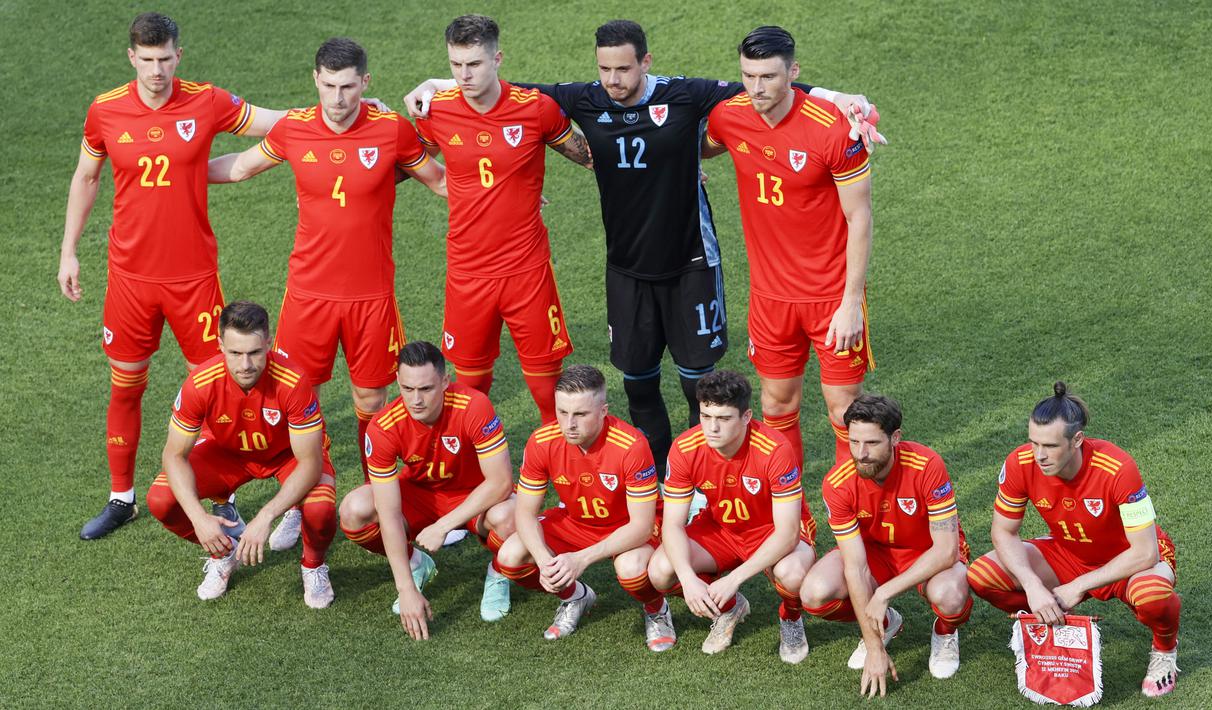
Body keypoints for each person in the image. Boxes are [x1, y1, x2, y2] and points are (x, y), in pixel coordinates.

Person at [406, 19, 876, 475]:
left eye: (624, 69)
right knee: (639, 385)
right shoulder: (585, 98)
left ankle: (702, 477)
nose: (613, 80)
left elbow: (769, 87)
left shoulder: (685, 95)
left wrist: (839, 97)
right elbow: (506, 88)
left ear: (645, 63)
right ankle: (658, 474)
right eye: (604, 69)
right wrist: (436, 82)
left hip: (692, 263)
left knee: (700, 386)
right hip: (626, 269)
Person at [207, 38, 447, 548]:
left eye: (348, 86)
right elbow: (241, 166)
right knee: (299, 396)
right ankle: (302, 495)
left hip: (371, 297)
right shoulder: (294, 127)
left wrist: (507, 188)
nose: (338, 98)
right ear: (316, 79)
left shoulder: (390, 130)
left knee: (370, 397)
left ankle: (372, 494)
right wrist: (171, 169)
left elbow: (443, 181)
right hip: (309, 296)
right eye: (329, 86)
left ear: (366, 82)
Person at [61, 12, 289, 540]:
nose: (158, 69)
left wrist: (334, 110)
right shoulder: (105, 110)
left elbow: (272, 121)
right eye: (148, 60)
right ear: (132, 58)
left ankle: (223, 498)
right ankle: (122, 498)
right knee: (125, 386)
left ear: (178, 56)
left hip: (193, 280)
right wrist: (68, 252)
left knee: (217, 389)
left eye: (166, 59)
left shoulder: (206, 100)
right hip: (130, 279)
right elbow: (87, 176)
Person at [703, 26, 875, 471]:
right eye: (748, 76)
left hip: (829, 297)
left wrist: (852, 302)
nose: (757, 88)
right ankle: (793, 519)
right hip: (770, 299)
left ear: (793, 72)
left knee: (845, 411)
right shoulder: (729, 116)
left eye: (769, 77)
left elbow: (860, 219)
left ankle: (848, 517)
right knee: (776, 407)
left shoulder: (835, 130)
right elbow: (695, 145)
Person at [410, 14, 594, 423]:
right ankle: (473, 477)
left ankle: (563, 470)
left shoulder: (536, 110)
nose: (463, 75)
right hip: (467, 272)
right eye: (455, 65)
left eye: (473, 64)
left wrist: (664, 165)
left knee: (548, 389)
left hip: (526, 271)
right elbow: (404, 160)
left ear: (497, 58)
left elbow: (589, 157)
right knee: (470, 389)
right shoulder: (436, 111)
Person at [966, 383, 1181, 698]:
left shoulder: (1118, 468)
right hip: (1069, 553)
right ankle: (1044, 631)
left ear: (1077, 440)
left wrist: (1079, 585)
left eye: (1050, 446)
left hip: (1129, 561)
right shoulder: (1021, 463)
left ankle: (1165, 650)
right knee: (983, 576)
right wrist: (1033, 586)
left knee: (1152, 594)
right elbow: (1003, 531)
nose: (1039, 455)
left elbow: (1146, 552)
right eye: (1033, 443)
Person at [145, 301, 337, 608]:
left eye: (254, 353)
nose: (245, 364)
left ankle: (313, 566)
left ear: (268, 342)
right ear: (220, 344)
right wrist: (198, 518)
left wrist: (266, 515)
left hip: (288, 457)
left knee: (320, 508)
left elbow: (311, 463)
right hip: (228, 454)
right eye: (235, 353)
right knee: (161, 500)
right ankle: (225, 552)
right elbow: (173, 456)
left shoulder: (294, 382)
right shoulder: (200, 384)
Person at [338, 341, 517, 638]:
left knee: (511, 515)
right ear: (398, 382)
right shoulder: (383, 427)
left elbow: (500, 482)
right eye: (407, 389)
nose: (416, 400)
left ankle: (498, 573)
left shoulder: (473, 406)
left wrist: (443, 526)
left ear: (445, 381)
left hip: (473, 493)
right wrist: (405, 588)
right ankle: (416, 564)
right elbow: (390, 512)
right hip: (420, 495)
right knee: (354, 510)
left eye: (426, 389)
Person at [800, 394, 972, 697]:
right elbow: (855, 565)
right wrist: (873, 647)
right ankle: (885, 624)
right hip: (874, 554)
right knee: (814, 593)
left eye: (871, 443)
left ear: (895, 438)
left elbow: (947, 550)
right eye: (854, 442)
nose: (860, 453)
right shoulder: (838, 483)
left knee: (950, 596)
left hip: (928, 551)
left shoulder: (927, 465)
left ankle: (945, 632)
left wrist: (883, 592)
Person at [494, 365, 670, 649]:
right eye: (562, 412)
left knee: (631, 568)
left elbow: (640, 526)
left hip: (629, 527)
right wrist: (543, 561)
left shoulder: (631, 445)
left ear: (603, 411)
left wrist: (582, 559)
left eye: (581, 414)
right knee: (510, 556)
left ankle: (656, 608)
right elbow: (524, 514)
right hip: (576, 521)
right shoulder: (542, 441)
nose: (569, 424)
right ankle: (574, 596)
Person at [647, 370, 816, 662]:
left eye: (724, 419)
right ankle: (729, 608)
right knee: (661, 570)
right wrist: (688, 579)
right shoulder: (686, 448)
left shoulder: (775, 449)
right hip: (722, 530)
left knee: (793, 574)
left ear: (747, 416)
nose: (712, 428)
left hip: (772, 529)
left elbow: (787, 532)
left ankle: (790, 617)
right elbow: (673, 524)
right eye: (705, 416)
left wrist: (734, 578)